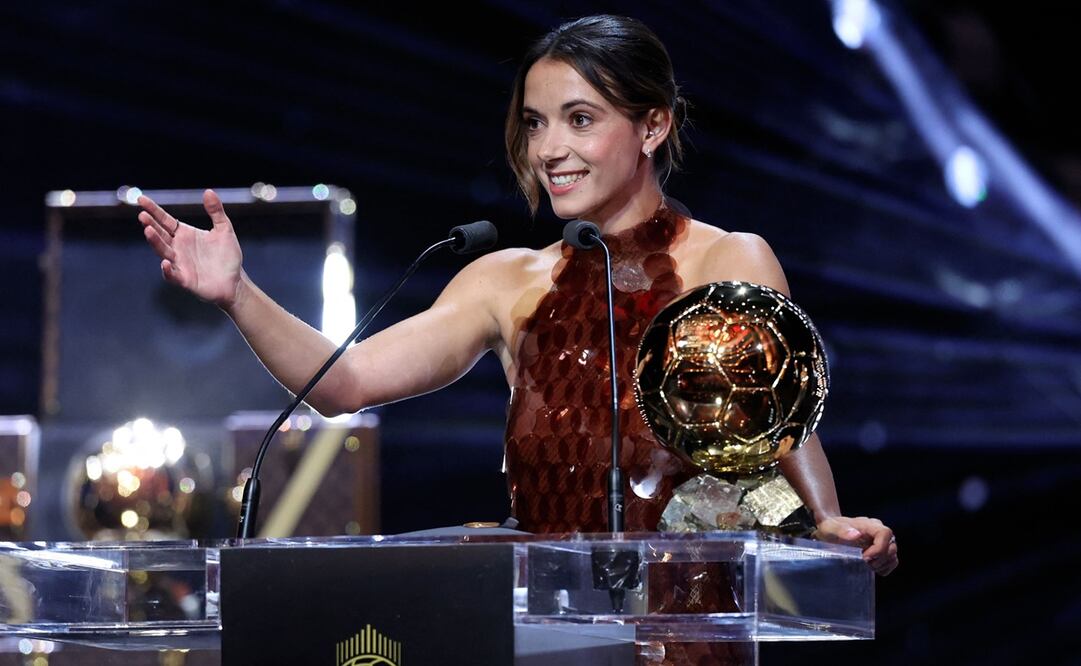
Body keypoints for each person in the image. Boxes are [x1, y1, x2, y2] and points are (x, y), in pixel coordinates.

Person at [137, 15, 897, 577]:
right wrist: (237, 294)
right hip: (548, 627)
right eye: (535, 124)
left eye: (580, 120)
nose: (549, 150)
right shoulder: (503, 281)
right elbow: (345, 383)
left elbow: (780, 430)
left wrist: (826, 522)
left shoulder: (729, 260)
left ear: (653, 126)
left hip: (692, 622)